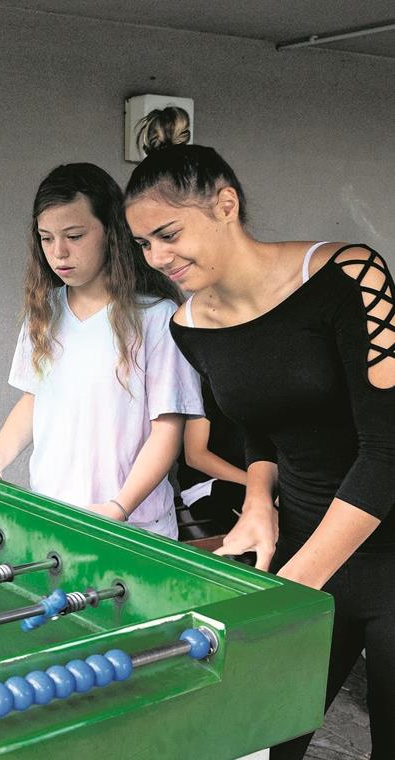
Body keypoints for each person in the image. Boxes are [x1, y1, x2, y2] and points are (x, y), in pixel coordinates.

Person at [124, 106, 395, 758]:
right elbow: (259, 433)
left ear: (224, 203)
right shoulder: (189, 327)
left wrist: (292, 589)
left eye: (167, 234)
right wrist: (257, 501)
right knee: (267, 740)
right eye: (143, 246)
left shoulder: (351, 275)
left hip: (385, 559)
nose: (158, 259)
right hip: (296, 545)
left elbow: (387, 450)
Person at [0, 163, 201, 538]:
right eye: (46, 239)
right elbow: (34, 400)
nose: (59, 252)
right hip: (52, 516)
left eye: (74, 235)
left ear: (112, 232)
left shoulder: (157, 318)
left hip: (134, 528)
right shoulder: (44, 310)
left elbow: (167, 428)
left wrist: (119, 507)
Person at [176, 381, 246, 542]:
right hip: (206, 487)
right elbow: (195, 457)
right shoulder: (204, 389)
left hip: (258, 483)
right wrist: (258, 483)